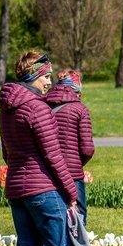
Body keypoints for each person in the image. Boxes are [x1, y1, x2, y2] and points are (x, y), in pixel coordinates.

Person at [0, 49, 99, 246]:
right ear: (35, 76)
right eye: (46, 77)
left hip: (17, 190)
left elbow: (8, 154)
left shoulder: (6, 108)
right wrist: (71, 191)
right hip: (44, 189)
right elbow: (53, 155)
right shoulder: (36, 108)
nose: (49, 83)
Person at [45, 69, 94, 221]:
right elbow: (87, 149)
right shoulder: (80, 109)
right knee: (77, 220)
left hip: (47, 173)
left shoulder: (42, 106)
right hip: (72, 174)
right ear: (77, 90)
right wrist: (77, 163)